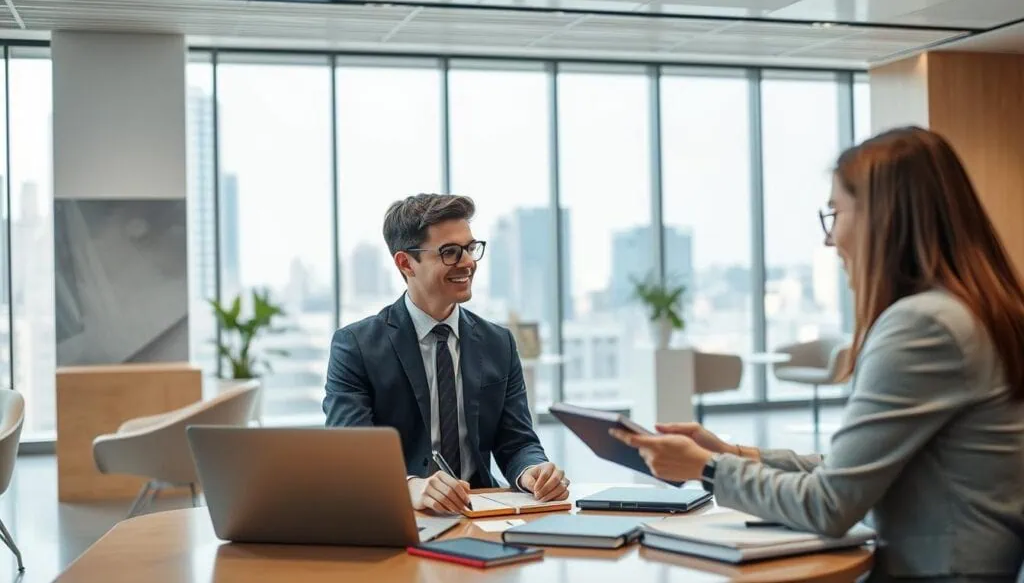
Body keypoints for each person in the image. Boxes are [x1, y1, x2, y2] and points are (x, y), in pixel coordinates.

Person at [612, 127, 1024, 581]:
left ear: (882, 217)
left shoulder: (923, 326)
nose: (830, 240)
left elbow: (829, 504)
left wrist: (706, 468)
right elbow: (855, 470)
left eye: (835, 214)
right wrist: (734, 453)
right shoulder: (968, 311)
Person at [323, 193, 569, 515]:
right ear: (405, 263)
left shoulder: (499, 343)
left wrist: (533, 470)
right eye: (450, 253)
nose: (468, 263)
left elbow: (517, 441)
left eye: (470, 248)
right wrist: (410, 485)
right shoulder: (355, 346)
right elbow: (350, 452)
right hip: (400, 515)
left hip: (482, 509)